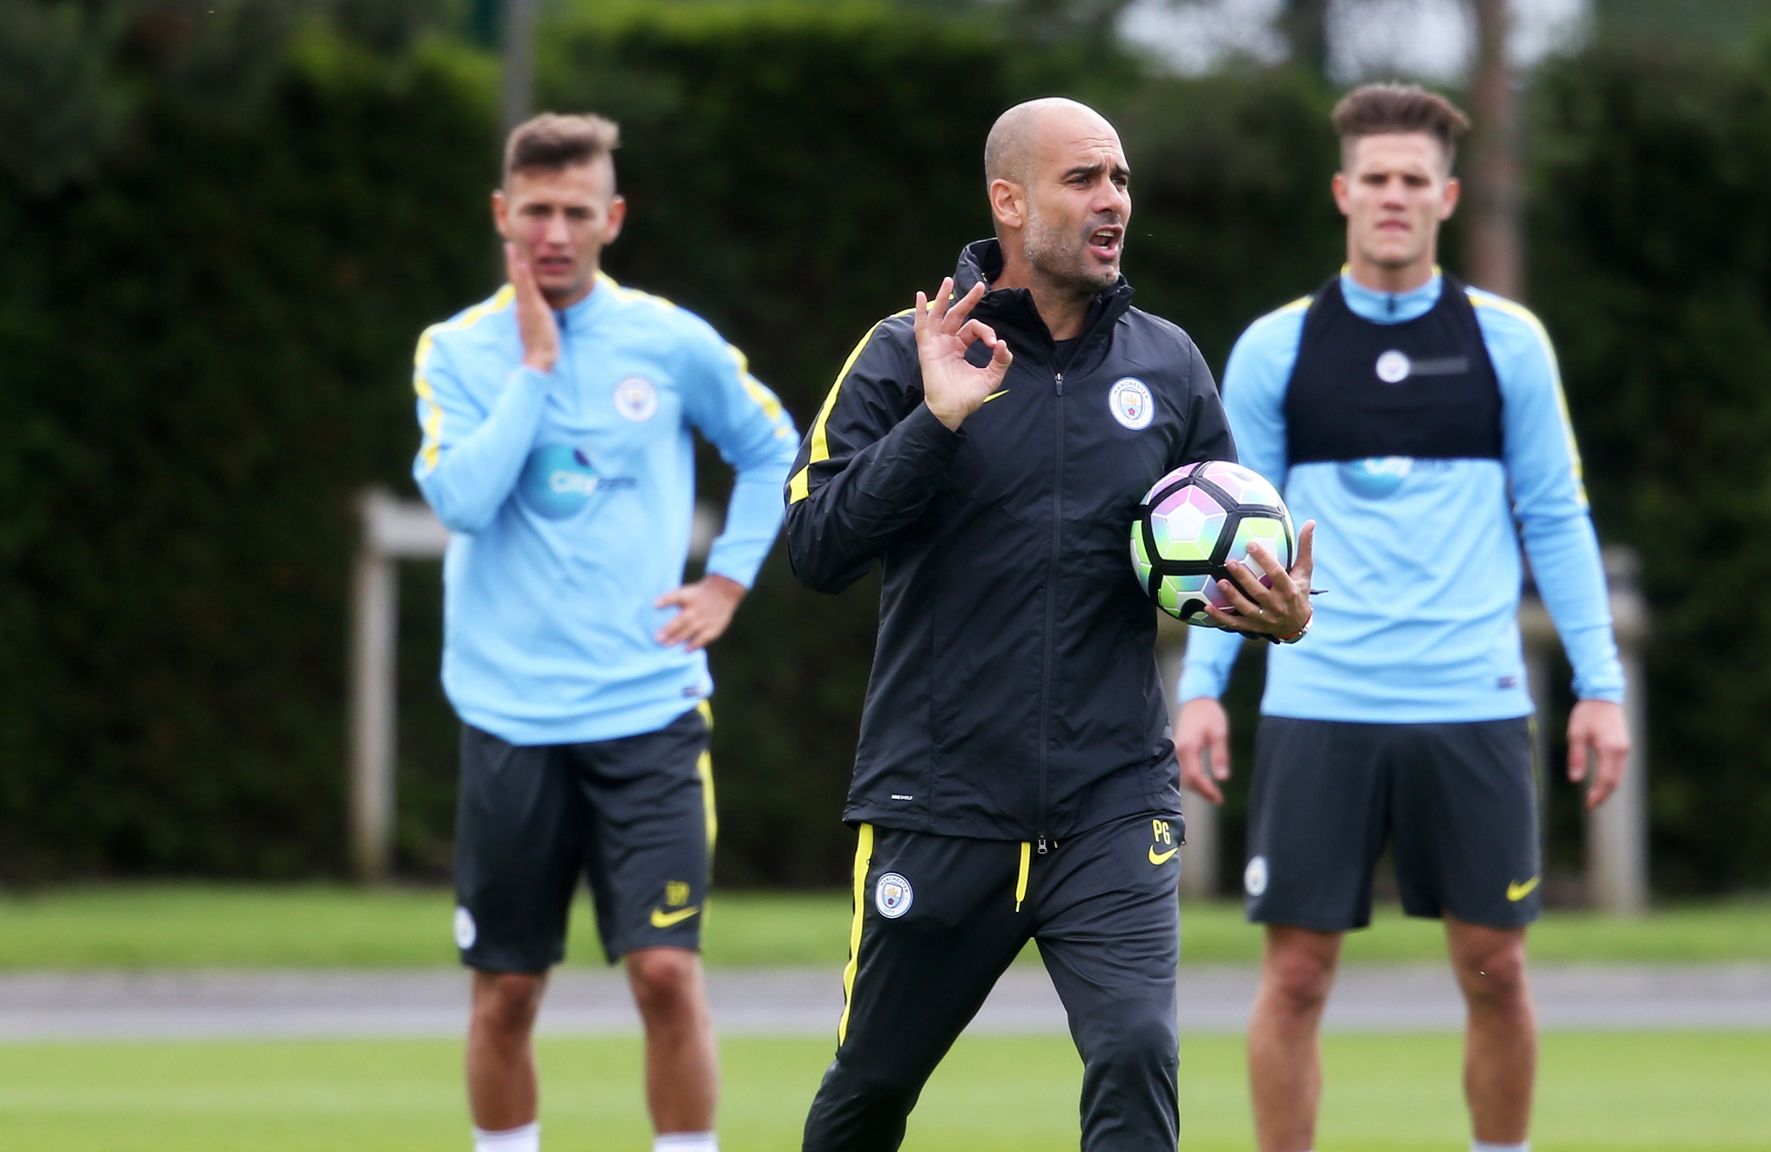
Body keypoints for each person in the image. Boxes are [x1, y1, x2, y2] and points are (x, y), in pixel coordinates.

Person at [783, 97, 1316, 1150]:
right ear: (1009, 201)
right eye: (1083, 179)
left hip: (1111, 800)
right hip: (937, 802)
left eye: (1118, 178)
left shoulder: (1166, 365)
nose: (1113, 199)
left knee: (1133, 1054)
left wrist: (1274, 617)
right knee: (869, 1092)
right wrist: (934, 422)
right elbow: (816, 549)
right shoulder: (905, 352)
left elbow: (1217, 562)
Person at [1174, 83, 1632, 1152]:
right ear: (1341, 191)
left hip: (1468, 706)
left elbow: (1555, 520)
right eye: (1372, 178)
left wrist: (1598, 686)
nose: (1391, 196)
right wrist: (1201, 691)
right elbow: (1235, 540)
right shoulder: (1276, 349)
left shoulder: (1505, 342)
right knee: (1293, 976)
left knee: (1495, 969)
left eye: (1411, 181)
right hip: (1318, 704)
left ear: (1445, 196)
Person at [410, 112, 798, 1152]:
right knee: (505, 995)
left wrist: (727, 582)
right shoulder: (455, 351)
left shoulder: (668, 342)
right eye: (532, 210)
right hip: (509, 716)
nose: (552, 232)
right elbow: (460, 500)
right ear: (502, 214)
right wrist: (534, 370)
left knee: (666, 974)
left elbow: (774, 451)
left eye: (574, 212)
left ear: (610, 218)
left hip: (647, 710)